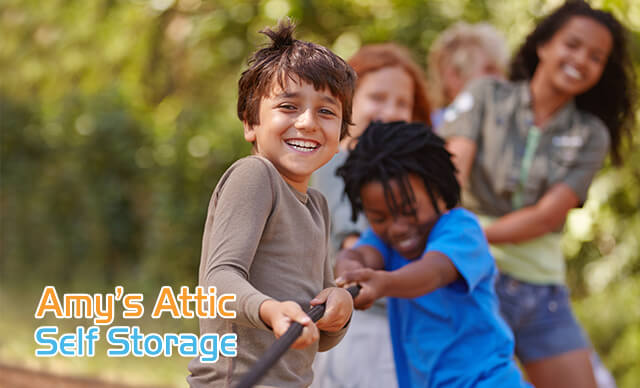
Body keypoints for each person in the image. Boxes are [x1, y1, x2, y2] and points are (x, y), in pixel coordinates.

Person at [440, 1, 636, 387]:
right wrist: (459, 239)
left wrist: (473, 230)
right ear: (544, 45)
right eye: (573, 45)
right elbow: (449, 176)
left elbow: (548, 216)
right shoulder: (485, 96)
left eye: (596, 57)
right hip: (472, 279)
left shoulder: (590, 133)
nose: (581, 60)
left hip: (541, 291)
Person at [186, 20, 356, 388]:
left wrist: (338, 310)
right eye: (288, 106)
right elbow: (217, 282)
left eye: (326, 112)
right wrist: (271, 311)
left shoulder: (317, 205)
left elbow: (316, 334)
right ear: (250, 122)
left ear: (341, 133)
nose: (308, 122)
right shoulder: (255, 175)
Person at [333, 121, 531, 388]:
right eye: (379, 217)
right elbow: (360, 256)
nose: (398, 228)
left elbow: (433, 271)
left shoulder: (461, 230)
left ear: (438, 190)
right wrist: (347, 271)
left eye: (409, 209)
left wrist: (383, 284)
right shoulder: (383, 241)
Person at [311, 43, 430, 388]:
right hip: (362, 326)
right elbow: (350, 242)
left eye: (402, 103)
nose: (391, 111)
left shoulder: (405, 175)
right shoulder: (340, 162)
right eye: (378, 97)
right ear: (347, 102)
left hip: (400, 321)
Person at [426, 22, 508, 129]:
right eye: (489, 70)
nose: (502, 79)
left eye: (502, 71)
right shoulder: (434, 129)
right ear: (454, 76)